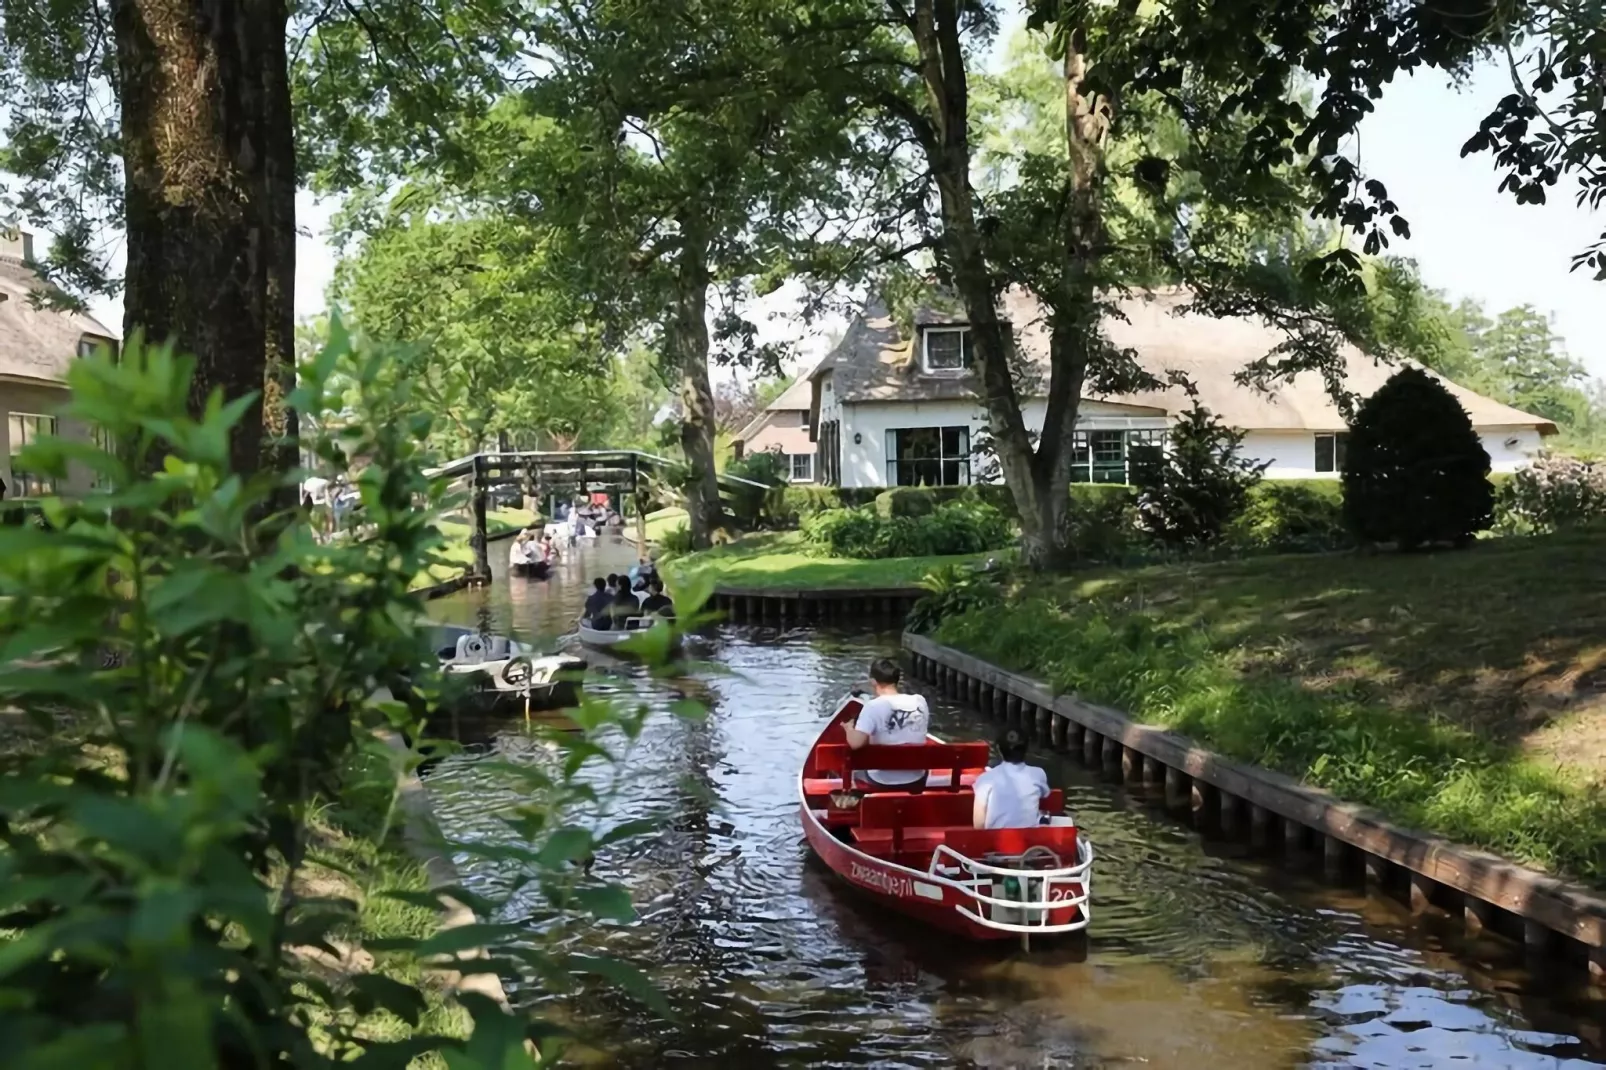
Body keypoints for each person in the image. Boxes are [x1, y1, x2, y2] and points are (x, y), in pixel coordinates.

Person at [842, 658, 931, 790]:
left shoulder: (873, 706)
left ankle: (865, 804)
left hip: (881, 780)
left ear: (873, 682)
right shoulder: (919, 701)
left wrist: (848, 728)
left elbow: (856, 744)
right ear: (897, 680)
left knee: (856, 772)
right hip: (916, 779)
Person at [972, 728, 1051, 829]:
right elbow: (1045, 795)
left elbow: (979, 825)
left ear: (999, 749)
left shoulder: (985, 780)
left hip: (995, 841)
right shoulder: (1038, 774)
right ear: (1026, 748)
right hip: (1030, 840)